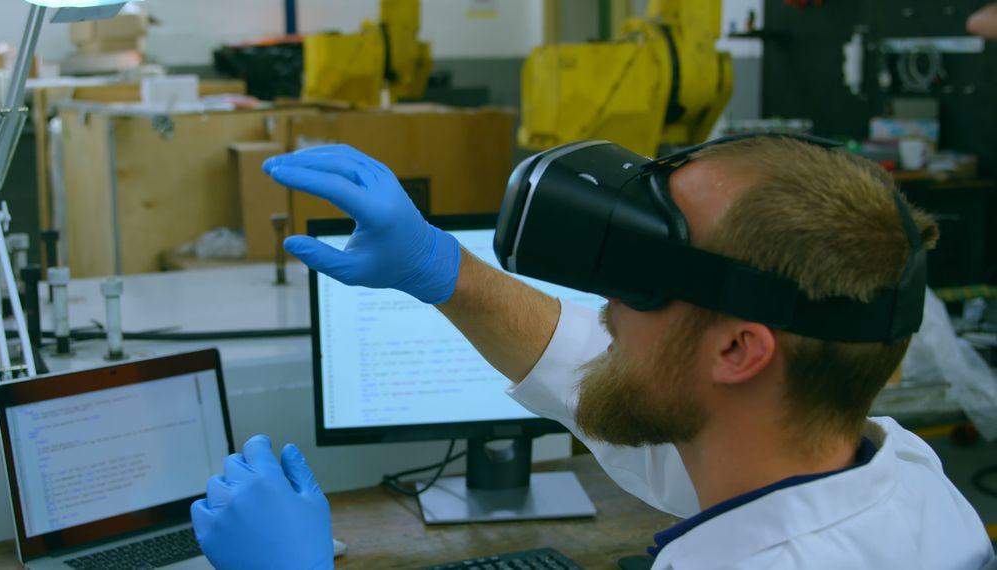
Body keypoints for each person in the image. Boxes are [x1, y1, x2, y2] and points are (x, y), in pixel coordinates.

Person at [189, 140, 995, 569]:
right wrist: (438, 266)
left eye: (640, 286)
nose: (606, 310)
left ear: (741, 350)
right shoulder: (900, 478)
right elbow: (596, 370)